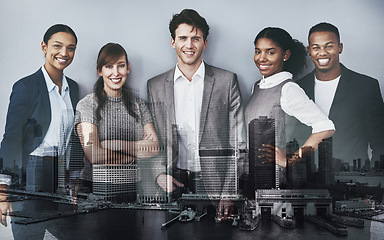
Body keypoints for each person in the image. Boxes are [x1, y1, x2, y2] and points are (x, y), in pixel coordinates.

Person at [147, 9, 245, 220]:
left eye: (195, 38)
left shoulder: (227, 81)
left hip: (218, 186)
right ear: (173, 42)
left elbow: (238, 143)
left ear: (205, 43)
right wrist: (158, 173)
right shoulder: (154, 86)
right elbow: (154, 139)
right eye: (182, 38)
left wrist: (229, 191)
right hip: (173, 182)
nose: (189, 45)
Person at [0, 24, 79, 237]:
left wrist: (75, 180)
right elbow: (11, 138)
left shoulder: (74, 88)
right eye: (57, 46)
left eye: (70, 48)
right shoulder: (26, 87)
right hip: (29, 178)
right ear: (44, 47)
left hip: (61, 178)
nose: (64, 53)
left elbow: (75, 138)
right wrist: (3, 190)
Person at [245, 27, 335, 189]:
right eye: (258, 51)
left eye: (270, 52)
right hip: (255, 177)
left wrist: (290, 160)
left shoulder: (288, 89)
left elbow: (326, 128)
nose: (261, 58)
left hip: (276, 182)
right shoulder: (257, 86)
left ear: (285, 55)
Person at [75, 43, 159, 196]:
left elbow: (154, 148)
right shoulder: (87, 104)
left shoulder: (138, 104)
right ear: (99, 71)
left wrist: (112, 144)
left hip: (133, 189)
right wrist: (132, 156)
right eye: (109, 66)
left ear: (128, 68)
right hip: (95, 189)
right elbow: (93, 154)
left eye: (121, 66)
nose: (116, 73)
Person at [296, 22, 384, 164]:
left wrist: (373, 177)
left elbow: (380, 143)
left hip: (354, 179)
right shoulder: (297, 88)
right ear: (309, 50)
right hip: (306, 179)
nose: (323, 52)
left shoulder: (366, 86)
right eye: (316, 47)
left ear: (340, 48)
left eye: (329, 46)